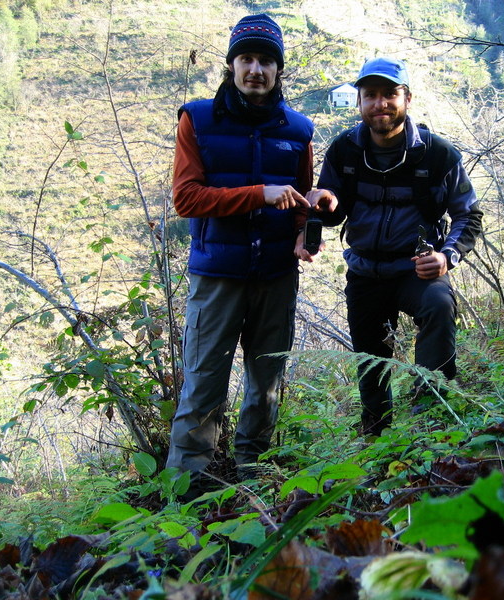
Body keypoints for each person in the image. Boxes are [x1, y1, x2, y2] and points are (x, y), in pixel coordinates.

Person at [166, 13, 317, 489]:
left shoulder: (298, 130)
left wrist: (303, 231)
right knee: (204, 383)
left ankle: (253, 479)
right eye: (246, 59)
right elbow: (186, 199)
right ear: (231, 65)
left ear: (278, 70)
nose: (256, 69)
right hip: (217, 277)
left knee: (266, 382)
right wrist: (258, 193)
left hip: (275, 274)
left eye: (266, 61)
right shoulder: (198, 119)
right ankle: (187, 490)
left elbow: (302, 202)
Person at [307, 57, 483, 436]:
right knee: (370, 359)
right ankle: (377, 434)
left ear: (407, 98)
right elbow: (331, 211)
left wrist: (446, 257)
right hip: (366, 270)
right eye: (370, 95)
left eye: (390, 94)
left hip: (416, 269)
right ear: (359, 102)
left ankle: (431, 417)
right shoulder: (344, 151)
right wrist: (324, 208)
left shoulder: (438, 155)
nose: (380, 103)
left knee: (438, 305)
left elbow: (469, 216)